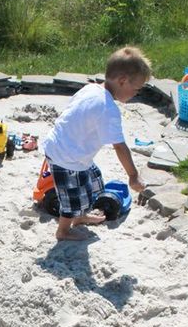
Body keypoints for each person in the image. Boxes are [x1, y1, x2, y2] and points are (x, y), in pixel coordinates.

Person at [42, 46, 151, 241]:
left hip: (70, 149)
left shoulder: (91, 88)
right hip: (66, 156)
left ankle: (81, 216)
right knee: (72, 196)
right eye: (136, 90)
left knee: (93, 182)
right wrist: (133, 176)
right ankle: (63, 231)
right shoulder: (108, 109)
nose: (136, 94)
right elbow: (119, 146)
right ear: (122, 81)